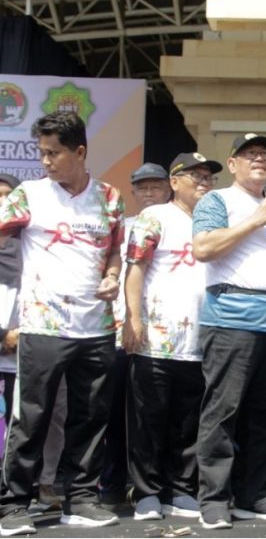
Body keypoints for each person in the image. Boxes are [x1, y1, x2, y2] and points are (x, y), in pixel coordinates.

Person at [0, 111, 124, 535]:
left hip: (96, 327)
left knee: (90, 418)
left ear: (81, 152)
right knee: (32, 417)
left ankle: (82, 499)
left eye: (54, 153)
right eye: (41, 153)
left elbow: (114, 252)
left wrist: (111, 276)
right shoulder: (29, 195)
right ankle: (14, 503)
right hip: (43, 325)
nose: (46, 162)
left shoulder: (109, 197)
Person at [192, 133, 266, 529]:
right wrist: (254, 221)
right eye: (250, 154)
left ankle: (254, 493)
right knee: (222, 412)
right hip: (231, 320)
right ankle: (214, 499)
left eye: (265, 155)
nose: (260, 160)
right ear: (232, 164)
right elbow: (203, 248)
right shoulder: (218, 201)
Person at [123, 152, 219, 521]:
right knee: (149, 420)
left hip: (201, 340)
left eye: (208, 177)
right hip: (156, 339)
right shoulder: (155, 216)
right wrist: (133, 319)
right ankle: (146, 492)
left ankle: (181, 490)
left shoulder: (216, 221)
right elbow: (136, 269)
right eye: (194, 176)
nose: (203, 182)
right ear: (174, 182)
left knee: (188, 422)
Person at [100, 162, 172, 509]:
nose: (148, 193)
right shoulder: (120, 228)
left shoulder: (179, 227)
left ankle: (155, 487)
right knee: (113, 417)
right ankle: (112, 485)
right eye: (142, 187)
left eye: (155, 187)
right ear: (132, 191)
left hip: (160, 340)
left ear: (168, 189)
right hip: (114, 335)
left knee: (154, 419)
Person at [0, 174, 21, 461]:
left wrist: (15, 334)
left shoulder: (33, 246)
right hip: (5, 338)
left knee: (21, 419)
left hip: (22, 348)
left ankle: (14, 483)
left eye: (8, 196)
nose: (3, 203)